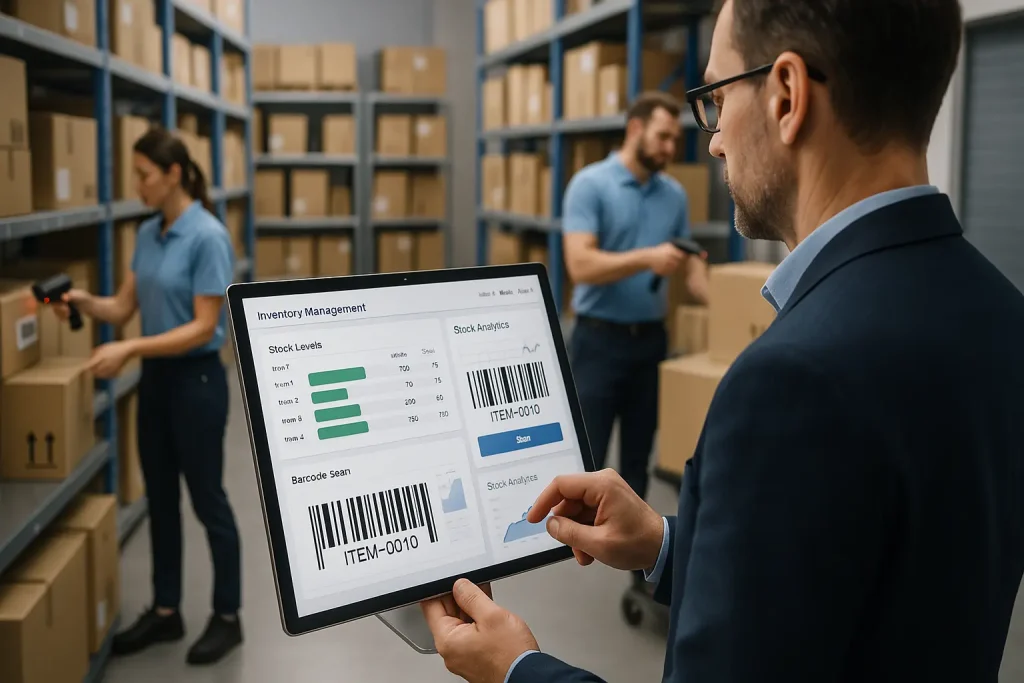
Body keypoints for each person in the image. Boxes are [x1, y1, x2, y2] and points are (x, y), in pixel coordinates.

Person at [422, 0, 1024, 681]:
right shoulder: (1003, 317)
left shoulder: (791, 379)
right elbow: (868, 586)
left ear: (787, 96)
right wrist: (664, 543)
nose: (710, 139)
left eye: (715, 96)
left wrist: (516, 669)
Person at [52, 127, 243, 665]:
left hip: (198, 383)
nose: (136, 185)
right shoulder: (147, 233)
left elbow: (205, 327)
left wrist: (131, 349)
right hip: (157, 383)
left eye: (143, 175)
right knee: (160, 499)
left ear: (173, 173)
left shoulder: (208, 236)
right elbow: (123, 306)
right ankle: (166, 611)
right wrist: (87, 302)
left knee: (208, 501)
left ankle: (228, 616)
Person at [562, 91, 708, 517]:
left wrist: (728, 309)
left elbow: (690, 261)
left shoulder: (674, 195)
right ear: (635, 129)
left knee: (638, 458)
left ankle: (641, 565)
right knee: (589, 451)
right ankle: (580, 538)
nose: (670, 148)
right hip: (598, 341)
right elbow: (581, 265)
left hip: (650, 344)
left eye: (674, 140)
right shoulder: (590, 185)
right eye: (662, 137)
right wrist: (648, 257)